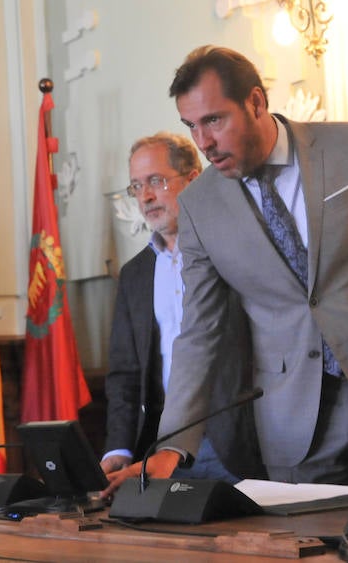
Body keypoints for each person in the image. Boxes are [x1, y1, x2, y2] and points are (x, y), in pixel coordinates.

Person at [105, 46, 348, 496]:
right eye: (190, 126)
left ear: (255, 102)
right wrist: (171, 445)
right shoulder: (198, 205)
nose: (203, 142)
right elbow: (199, 331)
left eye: (213, 120)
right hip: (292, 419)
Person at [102, 132, 263, 483]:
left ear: (194, 180)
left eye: (156, 181)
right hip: (159, 449)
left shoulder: (237, 251)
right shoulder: (135, 274)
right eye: (136, 186)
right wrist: (118, 448)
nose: (145, 196)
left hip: (238, 445)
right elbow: (125, 374)